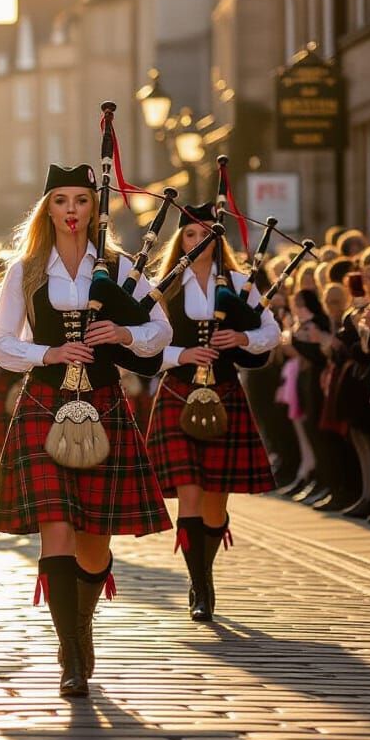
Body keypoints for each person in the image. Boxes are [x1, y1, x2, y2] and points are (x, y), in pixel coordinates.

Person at [0, 163, 173, 698]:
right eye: (61, 200)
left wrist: (124, 330)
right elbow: (1, 343)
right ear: (47, 209)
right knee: (57, 530)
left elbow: (161, 331)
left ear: (96, 209)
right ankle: (69, 649)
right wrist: (47, 351)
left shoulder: (119, 269)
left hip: (103, 399)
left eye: (82, 201)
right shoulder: (26, 271)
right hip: (45, 402)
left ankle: (81, 624)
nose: (71, 211)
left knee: (94, 543)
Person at [143, 203, 281, 622]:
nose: (197, 239)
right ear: (180, 240)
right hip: (178, 392)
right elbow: (143, 343)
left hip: (223, 391)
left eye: (205, 232)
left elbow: (271, 331)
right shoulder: (163, 286)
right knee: (189, 490)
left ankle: (206, 573)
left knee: (215, 502)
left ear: (216, 238)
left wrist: (242, 335)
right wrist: (182, 352)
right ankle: (198, 586)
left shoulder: (239, 283)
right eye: (189, 233)